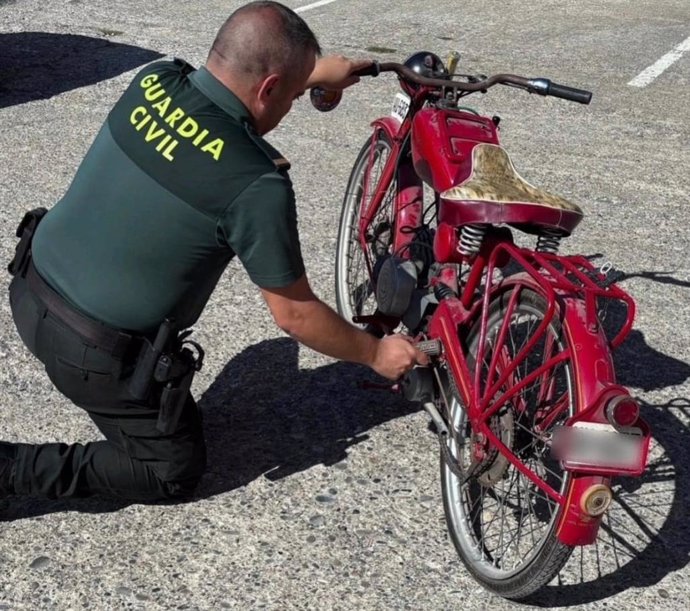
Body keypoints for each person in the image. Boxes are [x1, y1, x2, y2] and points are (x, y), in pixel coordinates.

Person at [1, 1, 428, 503]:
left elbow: (229, 101)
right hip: (91, 356)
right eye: (291, 96)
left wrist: (307, 72)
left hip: (28, 289)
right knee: (172, 469)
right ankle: (12, 472)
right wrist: (375, 351)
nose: (291, 105)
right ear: (270, 88)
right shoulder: (256, 186)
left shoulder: (154, 80)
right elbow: (294, 316)